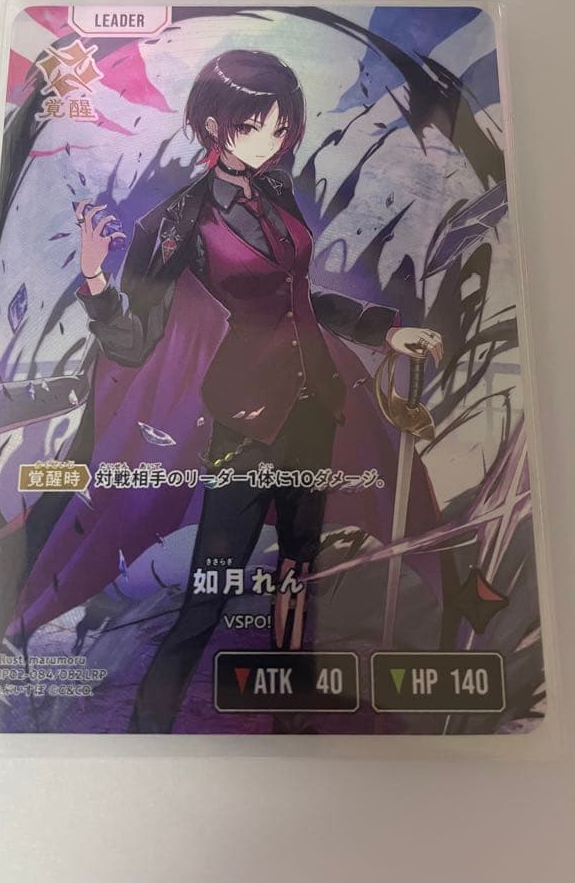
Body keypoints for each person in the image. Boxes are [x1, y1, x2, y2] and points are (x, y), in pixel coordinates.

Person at [68, 49, 442, 732]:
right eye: (257, 126)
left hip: (314, 406)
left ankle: (289, 715)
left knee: (299, 572)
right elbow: (133, 340)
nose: (274, 140)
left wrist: (386, 331)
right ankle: (149, 726)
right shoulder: (176, 222)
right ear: (215, 125)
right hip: (245, 419)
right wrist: (94, 281)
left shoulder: (275, 190)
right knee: (210, 588)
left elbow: (301, 298)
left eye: (282, 126)